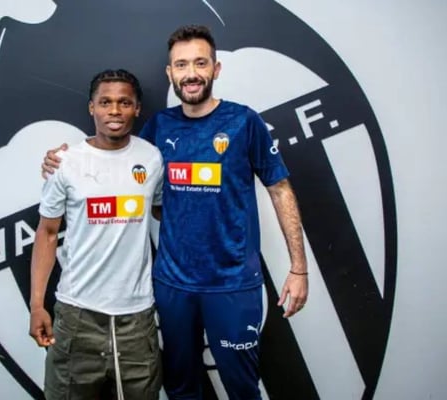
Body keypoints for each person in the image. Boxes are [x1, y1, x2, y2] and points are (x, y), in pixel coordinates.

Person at [42, 25, 308, 400]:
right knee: (181, 387)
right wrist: (60, 160)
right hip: (172, 286)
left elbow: (280, 189)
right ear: (170, 73)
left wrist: (299, 268)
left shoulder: (245, 122)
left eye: (200, 63)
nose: (191, 73)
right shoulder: (158, 127)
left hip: (233, 284)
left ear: (216, 69)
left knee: (242, 388)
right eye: (181, 65)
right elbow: (116, 164)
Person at [30, 69, 163, 400]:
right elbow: (47, 233)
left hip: (137, 318)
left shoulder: (151, 158)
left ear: (137, 108)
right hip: (77, 314)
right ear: (92, 107)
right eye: (105, 102)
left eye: (124, 103)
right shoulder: (65, 162)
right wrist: (36, 304)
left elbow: (163, 212)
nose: (114, 111)